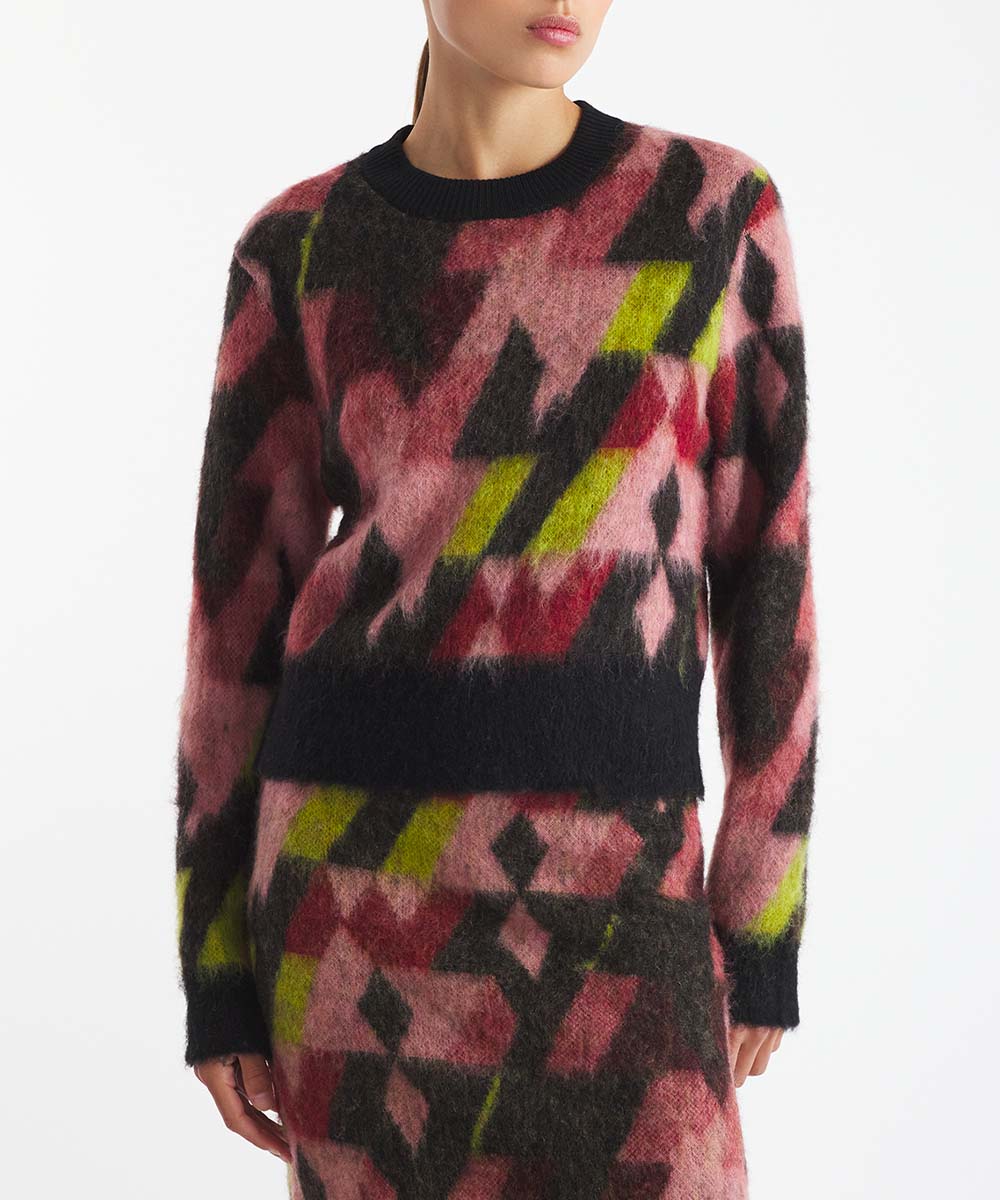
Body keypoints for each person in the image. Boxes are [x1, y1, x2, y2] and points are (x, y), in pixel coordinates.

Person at [173, 2, 820, 1195]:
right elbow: (234, 622)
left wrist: (760, 913)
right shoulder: (302, 244)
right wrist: (216, 967)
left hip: (626, 888)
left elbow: (767, 572)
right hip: (354, 903)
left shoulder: (709, 211)